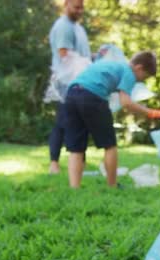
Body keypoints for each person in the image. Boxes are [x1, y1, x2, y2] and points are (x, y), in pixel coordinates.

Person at [64, 51, 160, 189]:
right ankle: (112, 185)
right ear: (139, 68)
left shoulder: (112, 64)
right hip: (93, 96)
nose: (141, 81)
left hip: (72, 94)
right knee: (110, 145)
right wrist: (152, 113)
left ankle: (74, 188)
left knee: (76, 147)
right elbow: (126, 103)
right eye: (144, 77)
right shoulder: (128, 72)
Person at [47, 0, 91, 174]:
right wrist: (87, 65)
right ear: (66, 4)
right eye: (76, 7)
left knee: (81, 122)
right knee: (62, 123)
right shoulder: (64, 26)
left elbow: (82, 55)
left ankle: (81, 162)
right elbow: (64, 55)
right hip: (66, 82)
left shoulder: (78, 28)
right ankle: (54, 164)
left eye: (82, 7)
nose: (80, 11)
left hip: (79, 81)